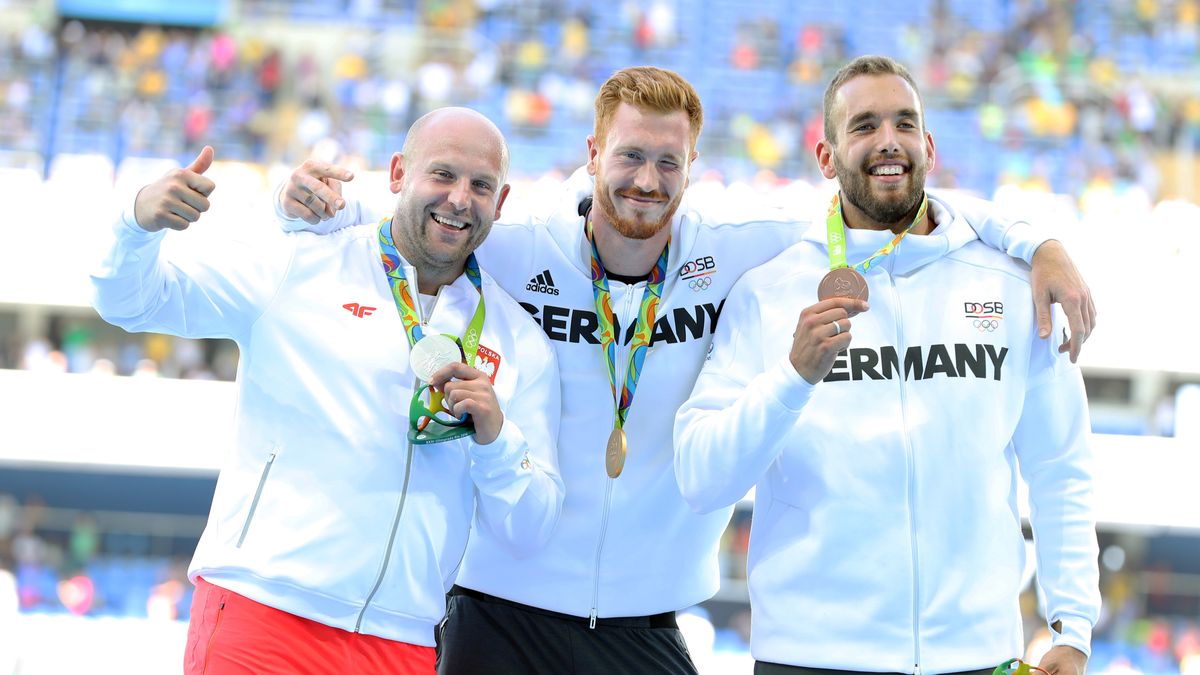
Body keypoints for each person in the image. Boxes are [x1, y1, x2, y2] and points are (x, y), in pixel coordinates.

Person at [278, 67, 1096, 675]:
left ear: (694, 165)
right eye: (630, 155)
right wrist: (321, 207)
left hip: (647, 620)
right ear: (594, 151)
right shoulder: (518, 239)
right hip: (498, 608)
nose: (646, 179)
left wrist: (1035, 240)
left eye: (669, 163)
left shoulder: (742, 245)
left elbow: (887, 198)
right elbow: (429, 216)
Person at [90, 107, 564, 675]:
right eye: (443, 175)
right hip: (264, 610)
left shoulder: (521, 343)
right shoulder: (301, 261)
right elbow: (131, 301)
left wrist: (496, 439)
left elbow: (531, 528)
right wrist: (136, 223)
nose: (460, 198)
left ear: (502, 202)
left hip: (403, 640)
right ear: (397, 174)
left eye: (480, 185)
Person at [674, 56, 1099, 675]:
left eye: (904, 123)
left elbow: (1061, 466)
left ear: (928, 145)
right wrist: (791, 380)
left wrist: (1074, 623)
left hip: (976, 656)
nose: (887, 141)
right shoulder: (770, 290)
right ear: (826, 157)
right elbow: (699, 476)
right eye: (864, 125)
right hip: (809, 657)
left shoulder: (1013, 285)